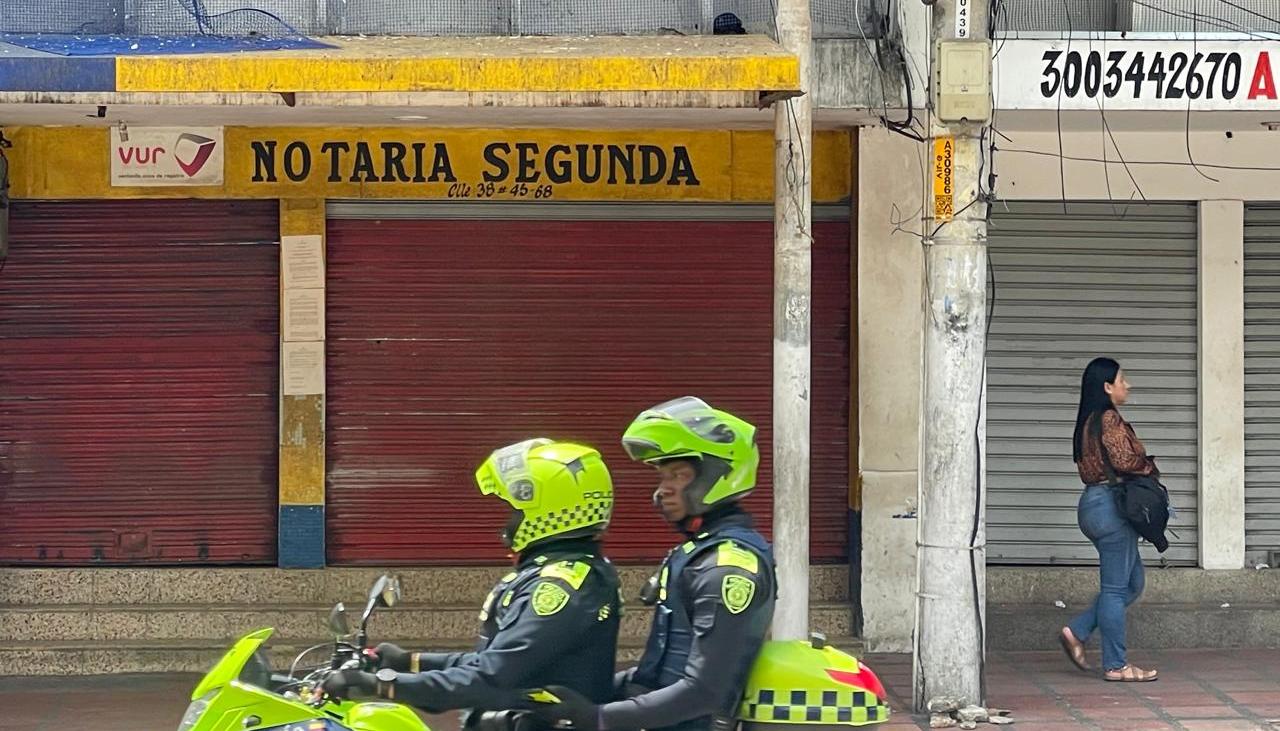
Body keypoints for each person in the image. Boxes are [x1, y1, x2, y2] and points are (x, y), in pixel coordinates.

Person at [320, 438, 624, 717]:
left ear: (548, 510)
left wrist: (383, 686)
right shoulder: (564, 573)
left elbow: (490, 678)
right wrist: (409, 661)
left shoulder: (562, 588)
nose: (508, 523)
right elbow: (494, 661)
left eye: (514, 510)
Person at [526, 396, 776, 731]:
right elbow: (661, 671)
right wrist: (572, 695)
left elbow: (704, 692)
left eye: (679, 475)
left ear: (719, 474)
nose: (662, 491)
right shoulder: (700, 552)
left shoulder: (726, 568)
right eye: (662, 477)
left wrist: (598, 717)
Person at [1059, 358, 1159, 682]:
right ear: (1107, 386)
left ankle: (1077, 630)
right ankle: (1116, 665)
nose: (1126, 385)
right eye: (1121, 379)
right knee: (1115, 590)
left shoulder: (1087, 421)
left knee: (1132, 583)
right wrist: (1149, 466)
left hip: (1092, 505)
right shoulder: (1108, 418)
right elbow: (1123, 460)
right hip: (1112, 507)